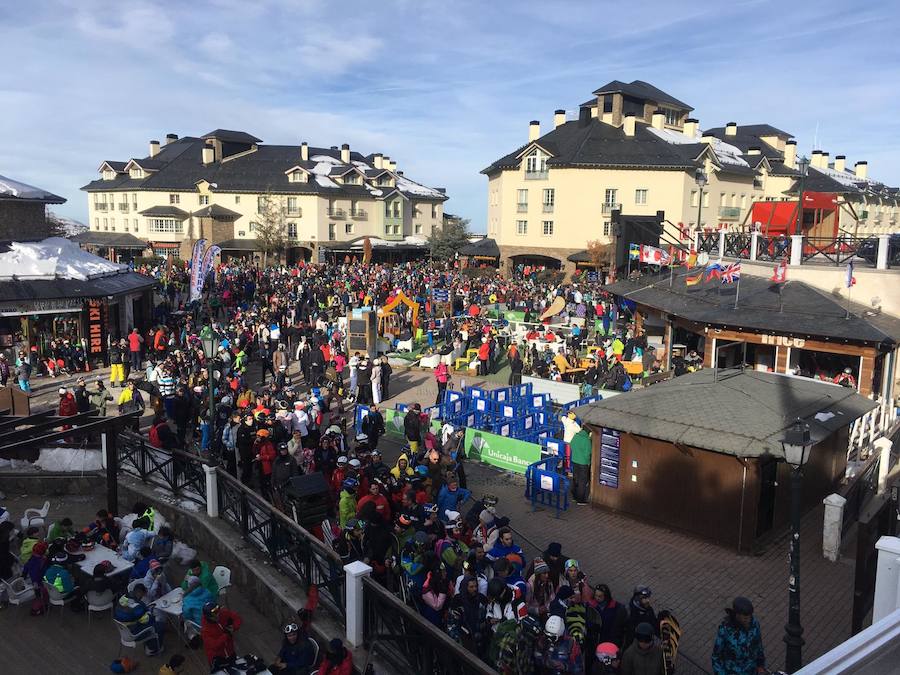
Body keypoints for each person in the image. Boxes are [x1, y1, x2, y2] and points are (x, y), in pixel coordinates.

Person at [711, 596, 766, 675]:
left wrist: (761, 665)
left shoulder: (754, 624)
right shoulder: (725, 630)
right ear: (737, 615)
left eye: (749, 617)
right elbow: (716, 657)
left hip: (752, 671)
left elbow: (758, 646)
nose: (748, 620)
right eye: (745, 618)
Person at [115, 583, 163, 656]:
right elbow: (146, 620)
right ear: (139, 592)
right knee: (158, 625)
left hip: (123, 630)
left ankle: (150, 644)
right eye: (142, 595)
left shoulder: (122, 598)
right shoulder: (137, 606)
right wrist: (150, 612)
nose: (142, 598)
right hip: (133, 633)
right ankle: (152, 649)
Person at [201, 601, 243, 666]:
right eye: (214, 615)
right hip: (217, 658)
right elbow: (214, 646)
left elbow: (237, 618)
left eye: (218, 612)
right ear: (208, 617)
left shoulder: (222, 613)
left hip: (230, 651)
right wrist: (226, 635)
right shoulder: (205, 630)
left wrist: (234, 627)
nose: (218, 615)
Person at [570, 426, 592, 504]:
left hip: (574, 460)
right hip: (583, 463)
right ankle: (580, 500)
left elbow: (571, 444)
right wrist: (588, 462)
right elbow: (588, 453)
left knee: (575, 478)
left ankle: (574, 497)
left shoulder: (576, 436)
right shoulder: (587, 440)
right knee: (582, 481)